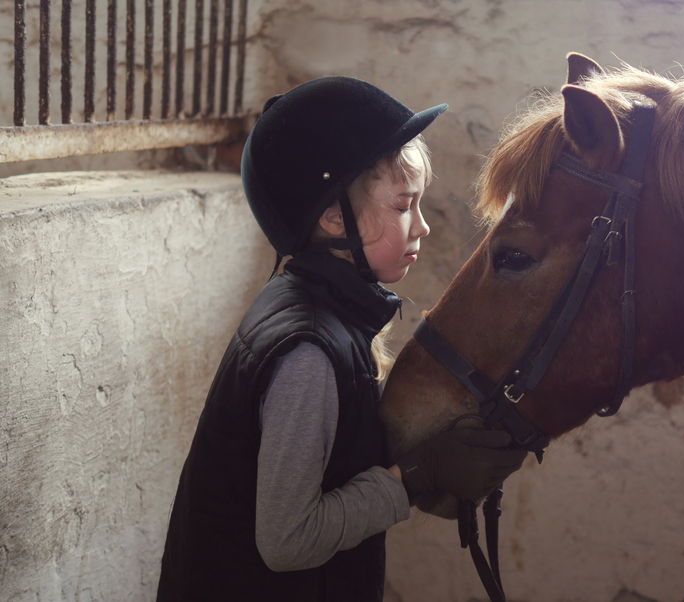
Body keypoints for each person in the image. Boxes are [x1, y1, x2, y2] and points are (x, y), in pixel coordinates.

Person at [156, 77, 527, 602]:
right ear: (334, 217)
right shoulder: (308, 355)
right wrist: (413, 477)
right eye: (403, 206)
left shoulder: (319, 308)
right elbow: (287, 541)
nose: (421, 227)